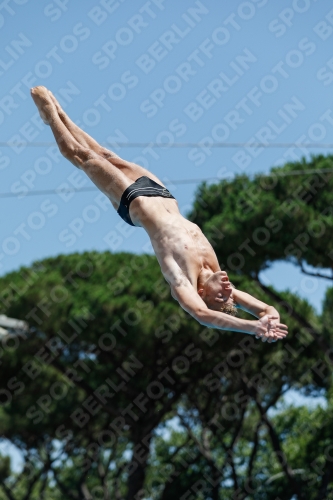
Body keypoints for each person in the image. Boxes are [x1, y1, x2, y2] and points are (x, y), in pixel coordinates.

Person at [31, 86, 288, 343]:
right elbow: (266, 310)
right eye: (231, 294)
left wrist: (251, 328)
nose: (229, 289)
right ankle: (59, 113)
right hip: (162, 195)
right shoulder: (217, 275)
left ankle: (50, 116)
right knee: (105, 154)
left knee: (84, 157)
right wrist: (268, 320)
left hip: (133, 203)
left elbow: (201, 314)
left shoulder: (183, 279)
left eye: (222, 296)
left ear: (202, 292)